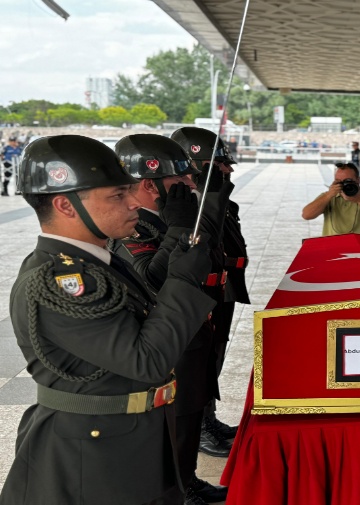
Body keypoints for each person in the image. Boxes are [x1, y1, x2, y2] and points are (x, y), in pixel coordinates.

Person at [1, 135, 215, 505]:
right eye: (117, 195)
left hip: (130, 439)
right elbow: (145, 360)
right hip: (91, 458)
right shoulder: (59, 281)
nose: (134, 202)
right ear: (65, 205)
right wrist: (183, 279)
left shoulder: (98, 262)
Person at [113, 134, 231, 505]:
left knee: (191, 415)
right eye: (178, 181)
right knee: (176, 424)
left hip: (192, 332)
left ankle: (187, 481)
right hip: (168, 343)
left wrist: (208, 202)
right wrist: (180, 229)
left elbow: (207, 248)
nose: (187, 186)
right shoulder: (133, 227)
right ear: (149, 184)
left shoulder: (163, 218)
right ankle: (177, 492)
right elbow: (153, 279)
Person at [170, 127, 245, 462]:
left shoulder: (217, 199)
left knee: (213, 359)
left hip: (221, 286)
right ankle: (199, 428)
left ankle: (208, 420)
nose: (227, 170)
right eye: (218, 165)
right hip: (201, 293)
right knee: (199, 364)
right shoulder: (191, 206)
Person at [301, 161, 360, 236]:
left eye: (348, 181)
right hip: (335, 249)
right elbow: (306, 215)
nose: (344, 185)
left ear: (358, 180)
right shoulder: (329, 196)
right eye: (339, 181)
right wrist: (328, 195)